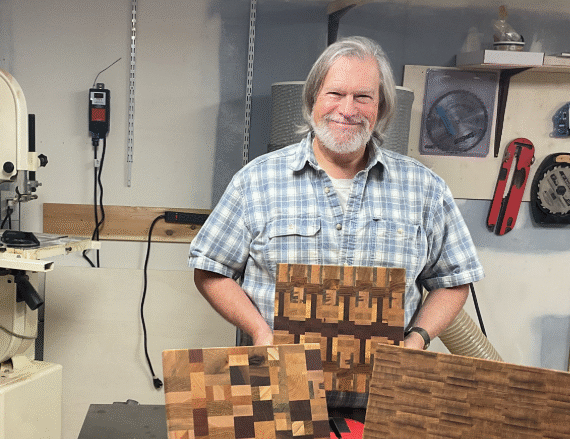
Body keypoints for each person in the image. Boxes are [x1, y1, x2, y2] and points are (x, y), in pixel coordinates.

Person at [189, 35, 483, 354]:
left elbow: (454, 280)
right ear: (314, 98)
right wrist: (260, 332)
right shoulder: (256, 181)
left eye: (363, 97)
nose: (347, 109)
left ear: (381, 106)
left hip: (382, 382)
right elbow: (210, 270)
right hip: (280, 380)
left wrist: (417, 339)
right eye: (335, 94)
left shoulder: (424, 189)